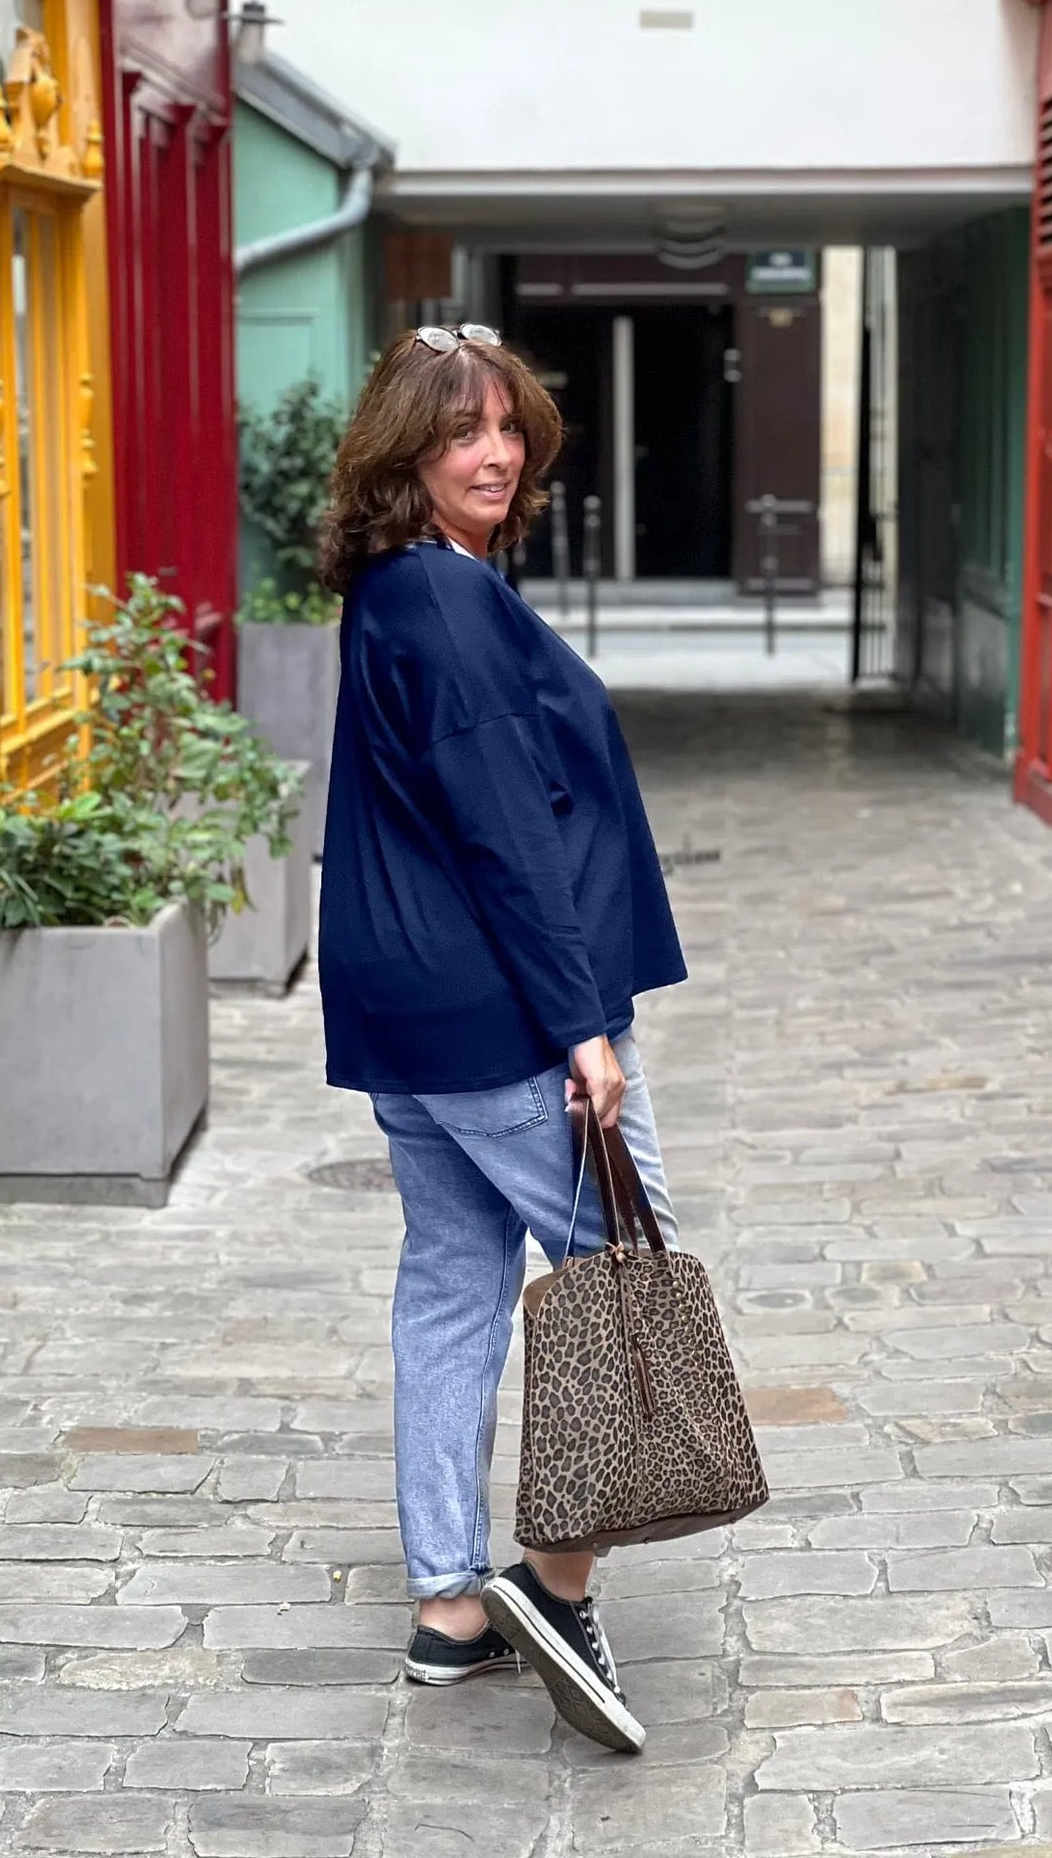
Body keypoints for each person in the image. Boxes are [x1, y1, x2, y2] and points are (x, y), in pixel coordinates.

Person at [316, 323, 688, 1754]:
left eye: (510, 427)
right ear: (405, 451)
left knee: (451, 1292)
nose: (495, 452)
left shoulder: (402, 594)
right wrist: (583, 1025)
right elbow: (504, 836)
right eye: (461, 430)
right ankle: (556, 1578)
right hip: (502, 1021)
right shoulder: (447, 604)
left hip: (414, 1019)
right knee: (620, 1281)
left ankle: (446, 1605)